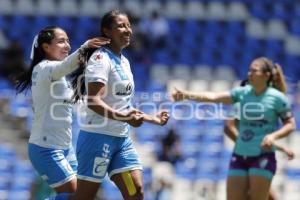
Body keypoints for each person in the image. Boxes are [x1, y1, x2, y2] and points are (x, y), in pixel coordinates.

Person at [69, 10, 169, 200]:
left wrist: (152, 119)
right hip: (98, 139)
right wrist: (125, 118)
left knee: (135, 191)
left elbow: (124, 106)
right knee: (84, 197)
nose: (128, 30)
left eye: (129, 25)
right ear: (107, 31)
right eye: (122, 26)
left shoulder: (124, 62)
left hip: (121, 140)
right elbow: (93, 101)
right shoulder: (100, 59)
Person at [171, 57, 296, 200]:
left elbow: (290, 124)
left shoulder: (278, 98)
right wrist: (187, 94)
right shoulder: (242, 93)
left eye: (254, 71)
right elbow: (214, 97)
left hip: (263, 156)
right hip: (239, 156)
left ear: (266, 75)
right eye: (249, 70)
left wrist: (274, 137)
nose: (249, 74)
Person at [14, 26, 110, 198]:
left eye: (67, 40)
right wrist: (85, 47)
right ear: (45, 47)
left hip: (65, 148)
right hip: (45, 148)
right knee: (73, 192)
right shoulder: (43, 68)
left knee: (83, 194)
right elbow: (66, 66)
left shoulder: (59, 77)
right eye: (61, 41)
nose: (67, 45)